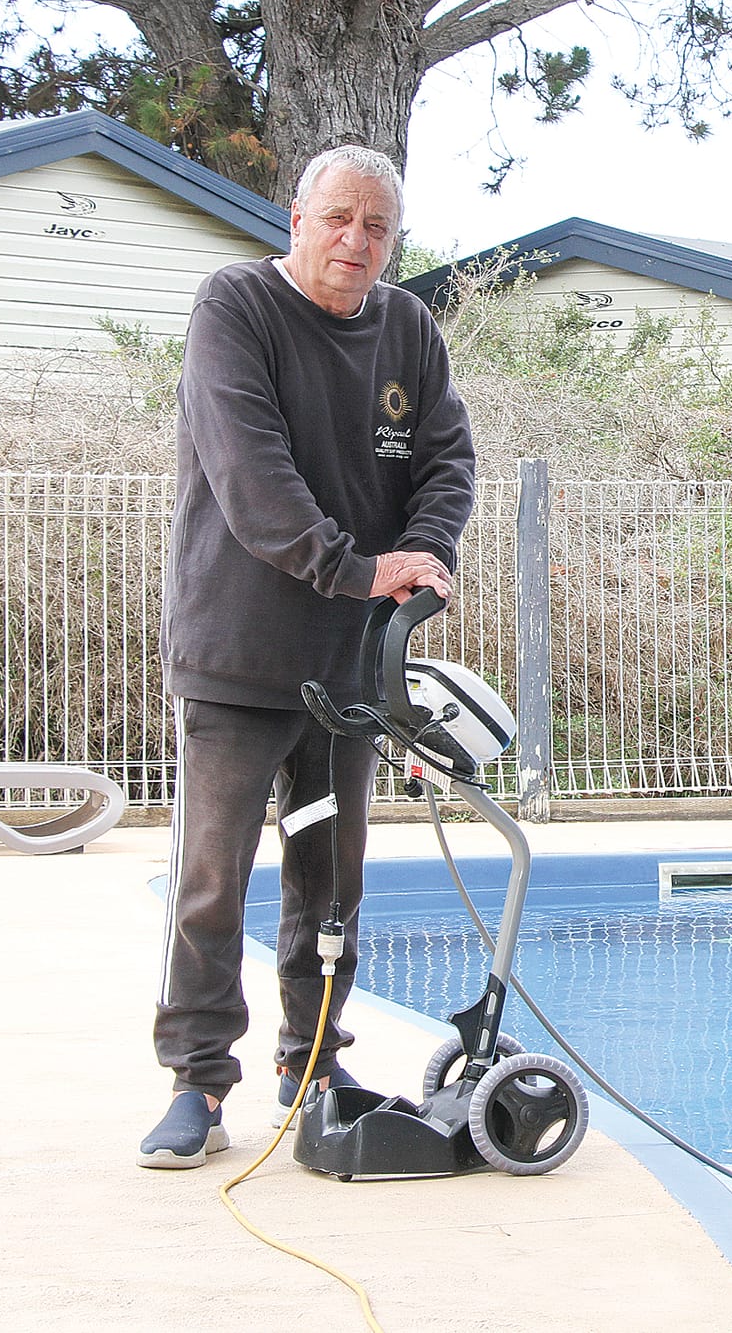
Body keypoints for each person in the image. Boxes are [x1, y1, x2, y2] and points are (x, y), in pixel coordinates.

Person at [138, 145, 475, 1168]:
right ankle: (197, 1082)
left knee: (330, 881)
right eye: (338, 219)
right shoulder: (234, 307)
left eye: (376, 228)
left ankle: (312, 1062)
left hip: (348, 672)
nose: (354, 242)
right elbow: (252, 476)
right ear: (297, 216)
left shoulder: (406, 327)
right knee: (212, 881)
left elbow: (446, 456)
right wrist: (355, 567)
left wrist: (425, 556)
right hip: (237, 659)